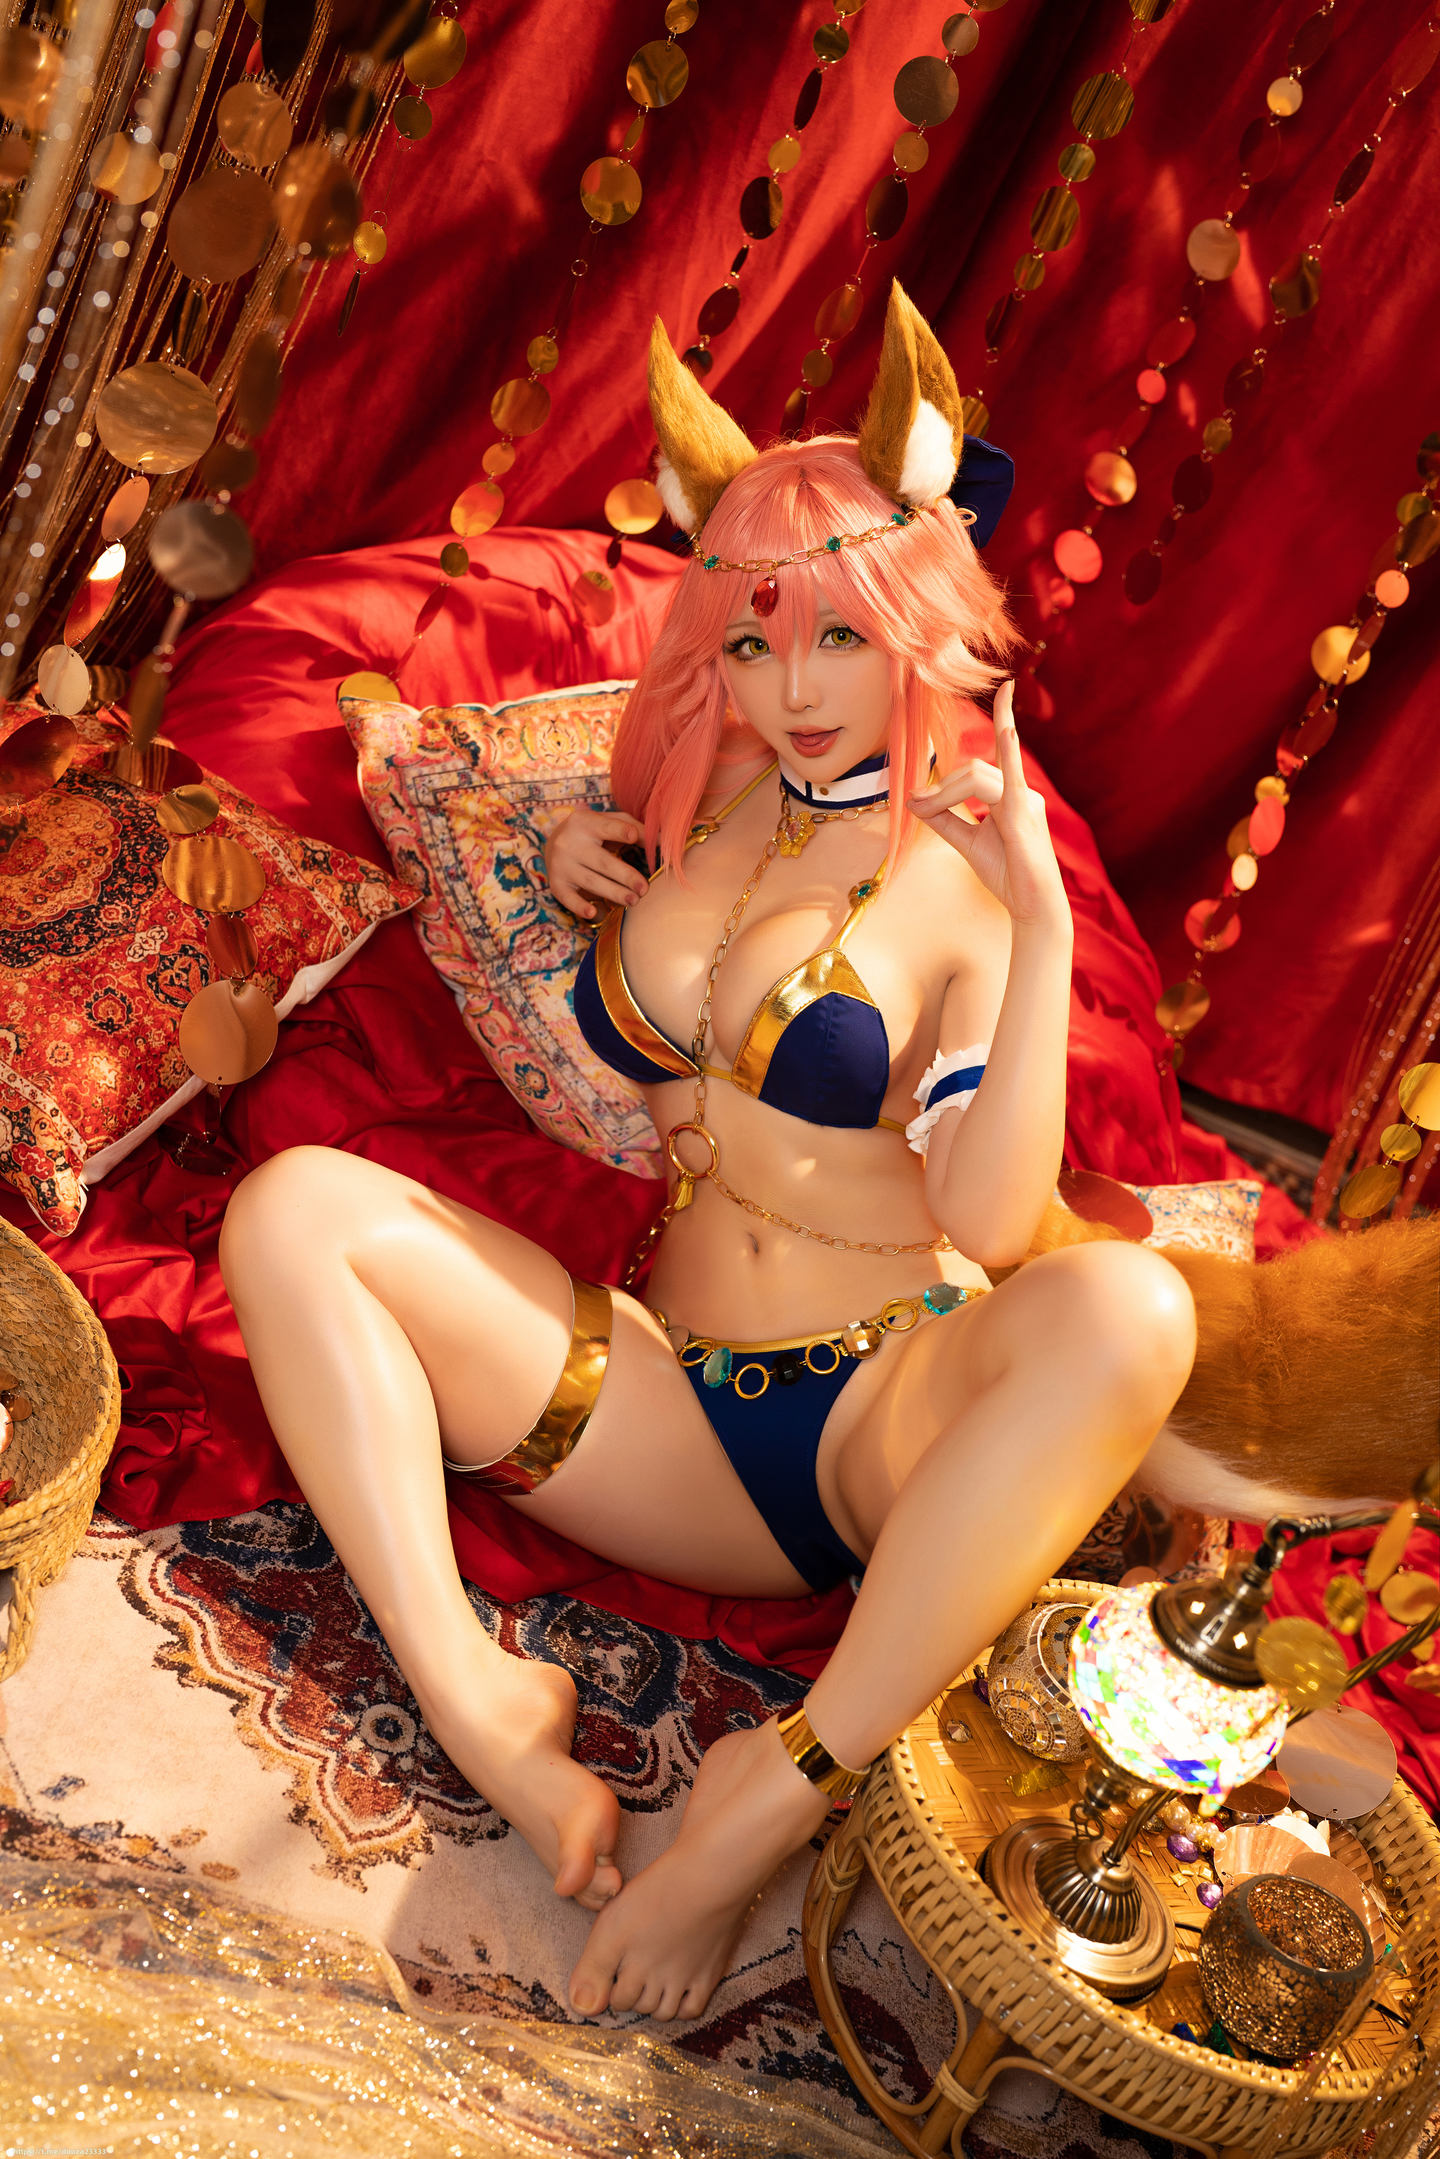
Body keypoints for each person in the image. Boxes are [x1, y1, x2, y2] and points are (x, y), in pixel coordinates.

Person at [218, 284, 1200, 2024]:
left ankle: (777, 1790)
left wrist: (1042, 933)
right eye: (753, 643)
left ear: (919, 624)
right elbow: (627, 977)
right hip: (669, 1395)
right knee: (294, 1213)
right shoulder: (709, 798)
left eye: (838, 638)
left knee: (1135, 1309)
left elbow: (994, 1221)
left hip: (876, 1415)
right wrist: (580, 877)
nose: (794, 688)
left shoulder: (969, 885)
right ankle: (477, 1701)